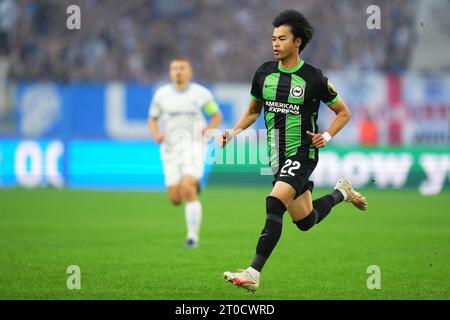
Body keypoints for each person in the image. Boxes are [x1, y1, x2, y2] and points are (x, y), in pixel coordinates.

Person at [220, 10, 367, 292]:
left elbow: (343, 113)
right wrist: (233, 131)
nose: (275, 43)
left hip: (302, 153)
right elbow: (253, 111)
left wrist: (325, 135)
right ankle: (342, 193)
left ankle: (253, 272)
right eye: (273, 38)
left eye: (282, 38)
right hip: (276, 156)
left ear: (297, 42)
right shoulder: (263, 73)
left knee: (274, 203)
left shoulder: (313, 78)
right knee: (305, 220)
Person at [148, 58, 222, 248]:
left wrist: (209, 129)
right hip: (170, 148)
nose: (178, 71)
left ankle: (192, 238)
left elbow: (216, 114)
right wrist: (156, 134)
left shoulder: (201, 94)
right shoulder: (161, 95)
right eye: (174, 68)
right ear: (170, 72)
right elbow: (153, 118)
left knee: (187, 190)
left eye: (182, 68)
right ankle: (192, 184)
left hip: (194, 145)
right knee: (175, 198)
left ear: (190, 72)